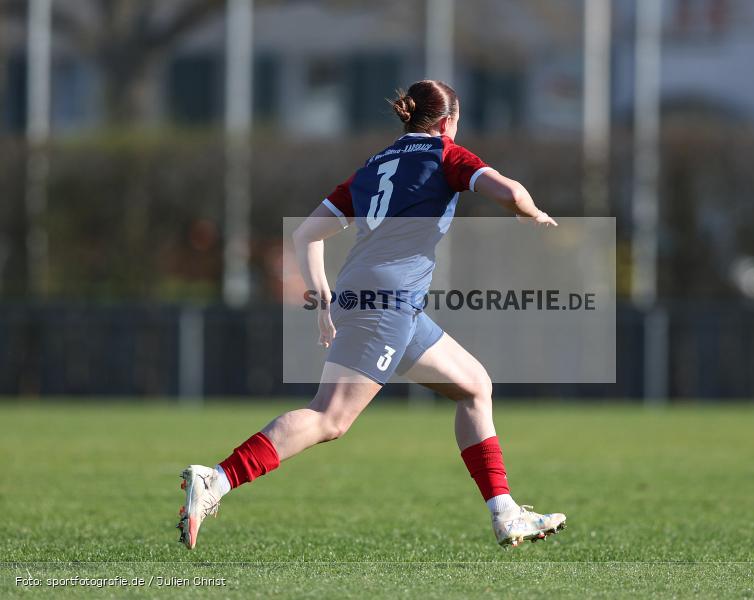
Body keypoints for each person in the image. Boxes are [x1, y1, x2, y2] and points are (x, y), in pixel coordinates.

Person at [177, 80, 565, 549]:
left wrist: (323, 298)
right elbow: (510, 191)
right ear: (448, 122)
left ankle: (505, 513)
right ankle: (216, 479)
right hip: (387, 304)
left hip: (380, 300)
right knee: (329, 417)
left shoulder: (374, 165)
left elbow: (305, 235)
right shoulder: (445, 154)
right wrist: (532, 212)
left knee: (474, 386)